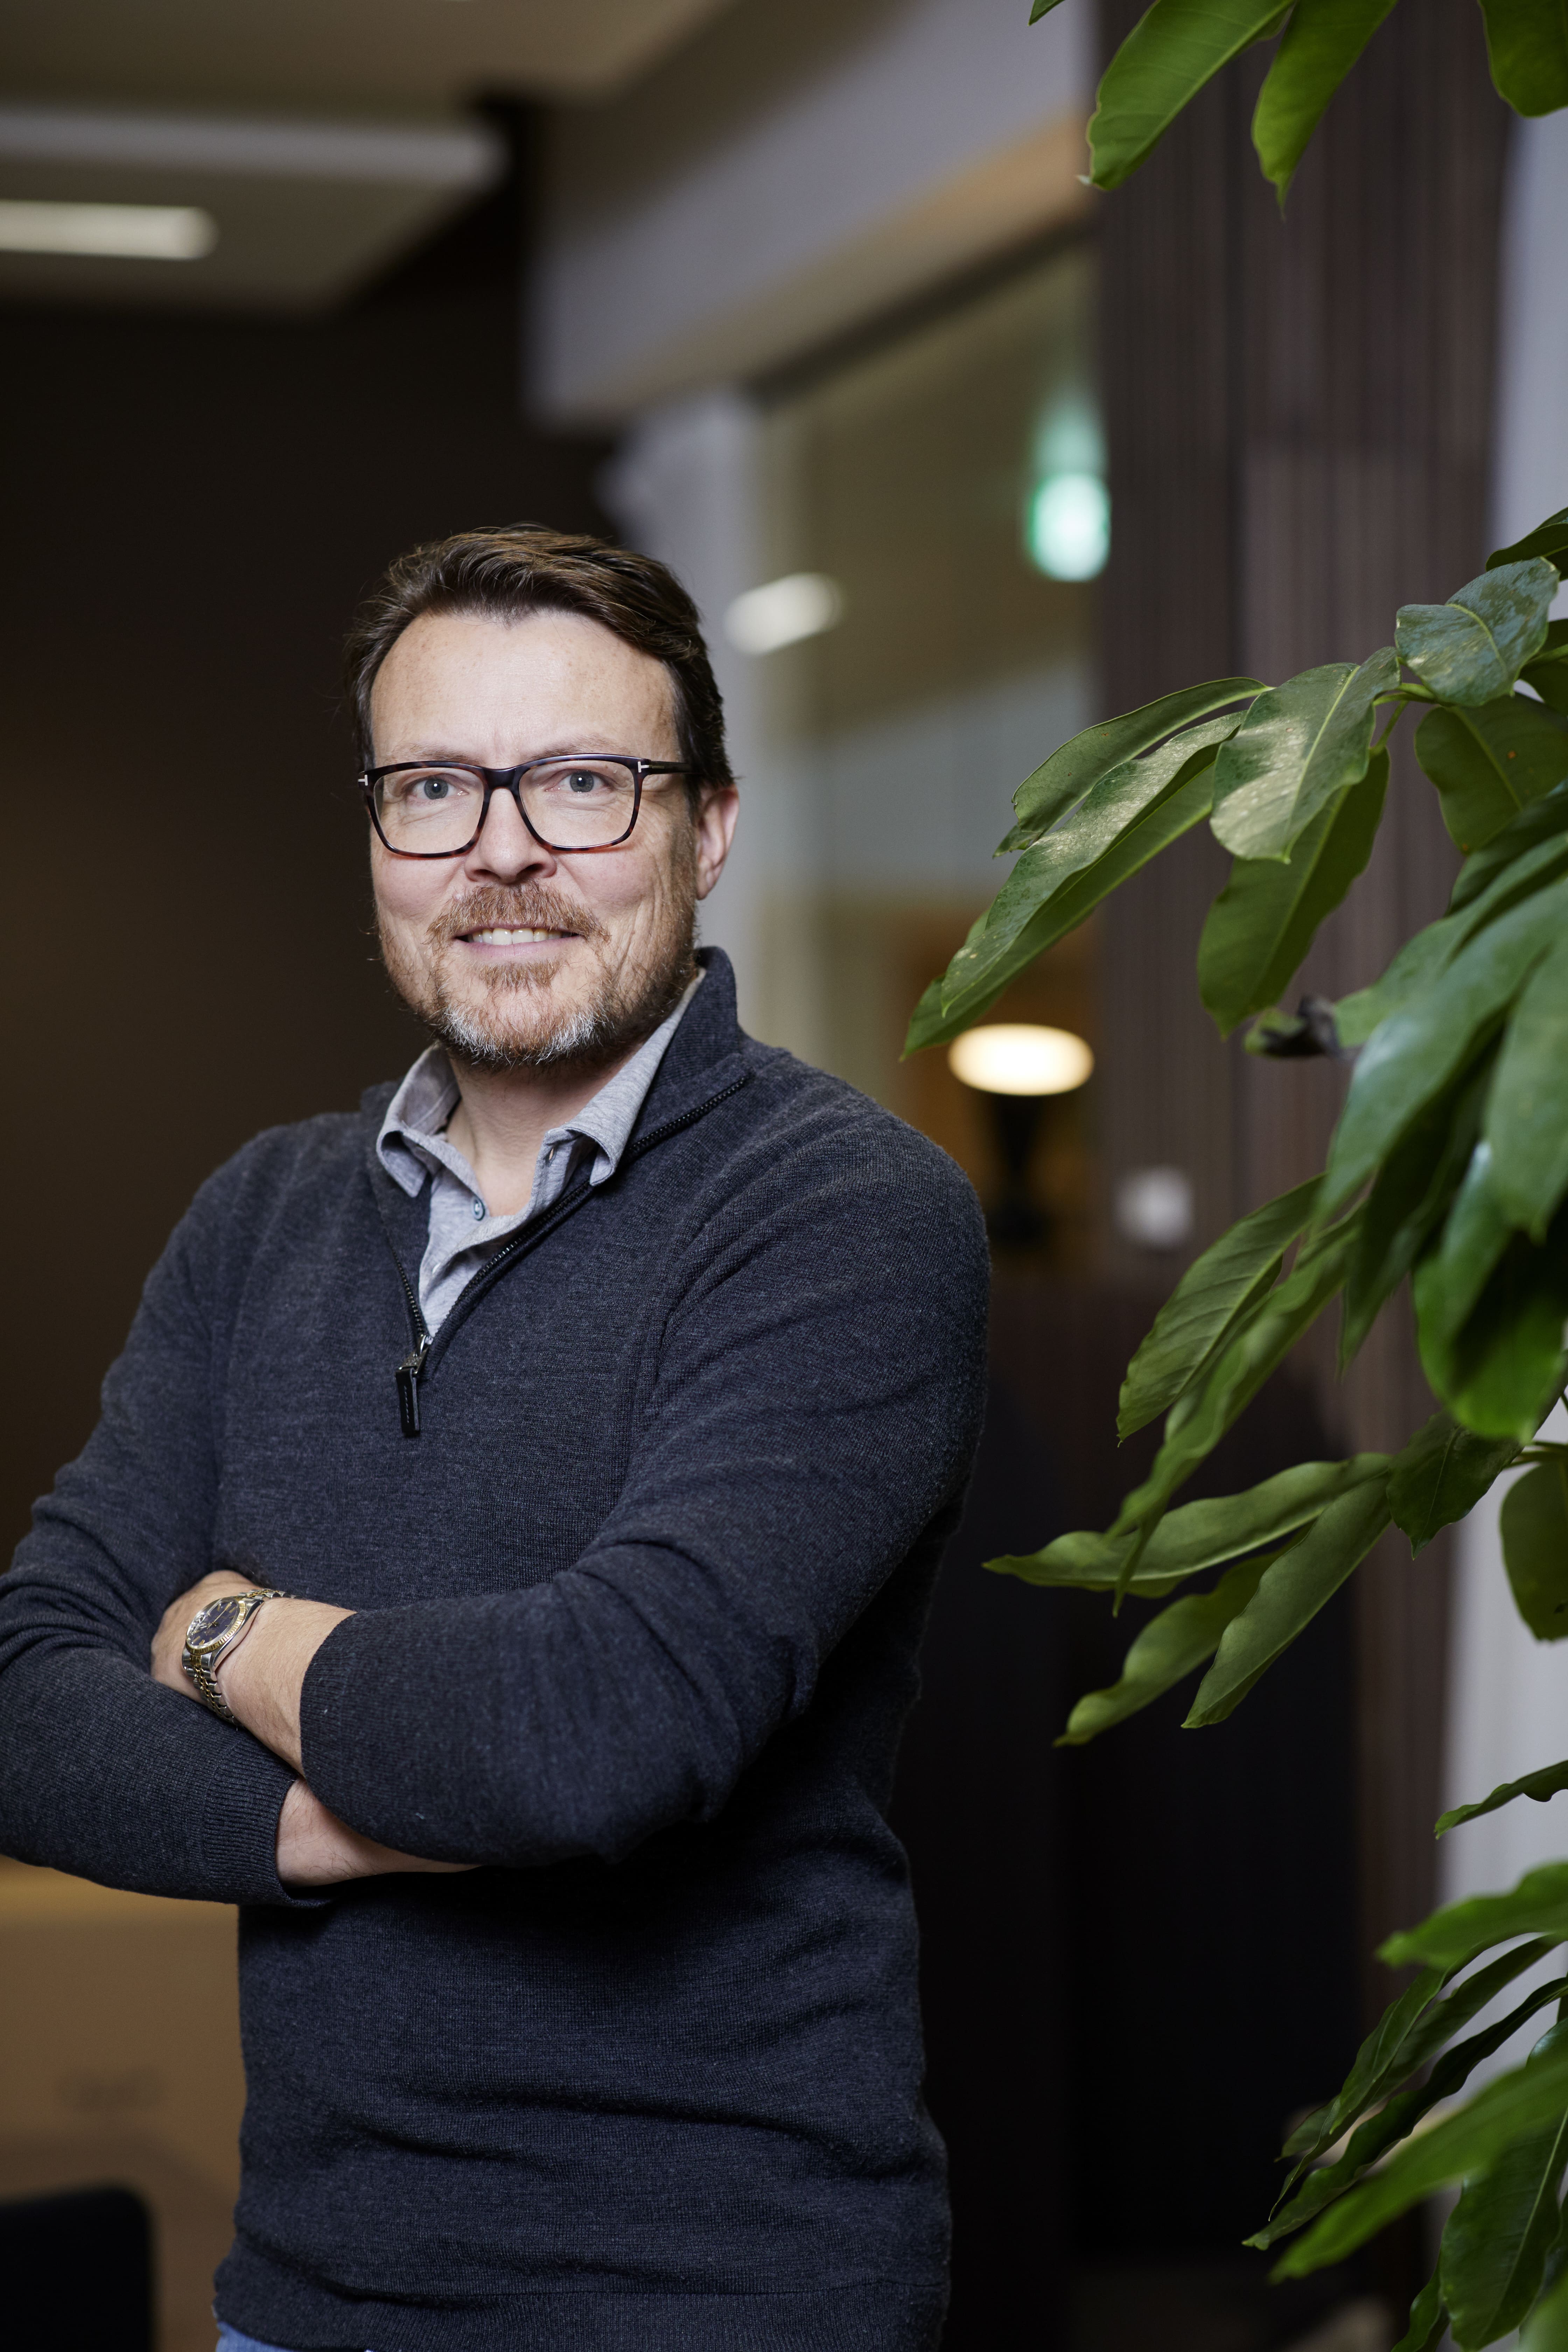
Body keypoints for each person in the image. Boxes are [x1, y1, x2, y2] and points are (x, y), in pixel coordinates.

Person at [0, 525, 989, 2352]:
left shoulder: (847, 1213)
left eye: (585, 783)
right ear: (379, 834)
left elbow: (598, 1727)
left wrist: (224, 1632)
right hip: (302, 2302)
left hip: (718, 2309)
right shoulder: (259, 1219)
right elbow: (26, 1699)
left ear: (708, 827)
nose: (504, 849)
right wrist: (338, 1821)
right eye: (438, 787)